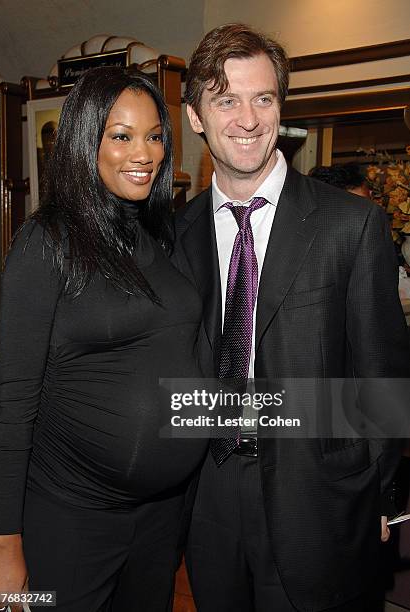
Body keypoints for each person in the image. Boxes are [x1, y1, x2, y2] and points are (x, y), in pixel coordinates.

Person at [174, 23, 410, 612]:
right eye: (226, 100)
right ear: (197, 116)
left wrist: (382, 498)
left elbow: (382, 379)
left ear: (281, 104)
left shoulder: (350, 225)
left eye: (263, 98)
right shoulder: (175, 233)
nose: (247, 119)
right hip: (206, 492)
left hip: (319, 495)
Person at [0, 66, 207, 612]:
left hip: (159, 519)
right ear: (85, 139)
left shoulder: (160, 234)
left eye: (155, 136)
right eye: (121, 135)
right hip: (68, 516)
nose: (145, 153)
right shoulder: (46, 242)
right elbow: (13, 404)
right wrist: (2, 545)